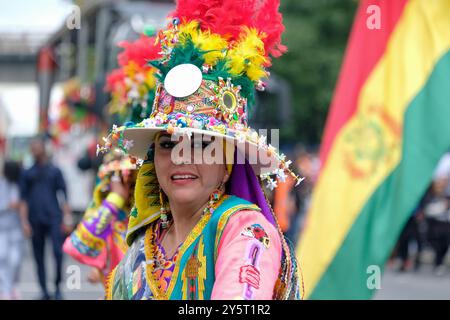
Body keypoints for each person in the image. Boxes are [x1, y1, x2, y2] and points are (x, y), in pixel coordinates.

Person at [99, 0, 303, 300]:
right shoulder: (143, 247)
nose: (181, 157)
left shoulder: (246, 231)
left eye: (201, 143)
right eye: (168, 144)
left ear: (227, 163)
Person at [63, 156, 138, 287]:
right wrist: (116, 198)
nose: (127, 184)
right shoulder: (107, 216)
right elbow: (77, 245)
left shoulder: (153, 215)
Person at [19, 136, 72, 300]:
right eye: (32, 147)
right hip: (35, 220)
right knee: (38, 255)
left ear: (43, 148)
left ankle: (57, 288)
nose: (34, 149)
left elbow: (63, 195)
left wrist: (67, 217)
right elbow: (23, 200)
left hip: (54, 217)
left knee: (58, 253)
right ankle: (44, 290)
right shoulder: (27, 173)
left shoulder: (55, 171)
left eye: (36, 146)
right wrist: (24, 222)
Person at [0, 160, 25, 300]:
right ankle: (5, 289)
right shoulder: (1, 184)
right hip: (2, 228)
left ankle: (14, 285)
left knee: (15, 259)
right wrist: (7, 206)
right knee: (2, 258)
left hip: (16, 228)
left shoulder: (20, 184)